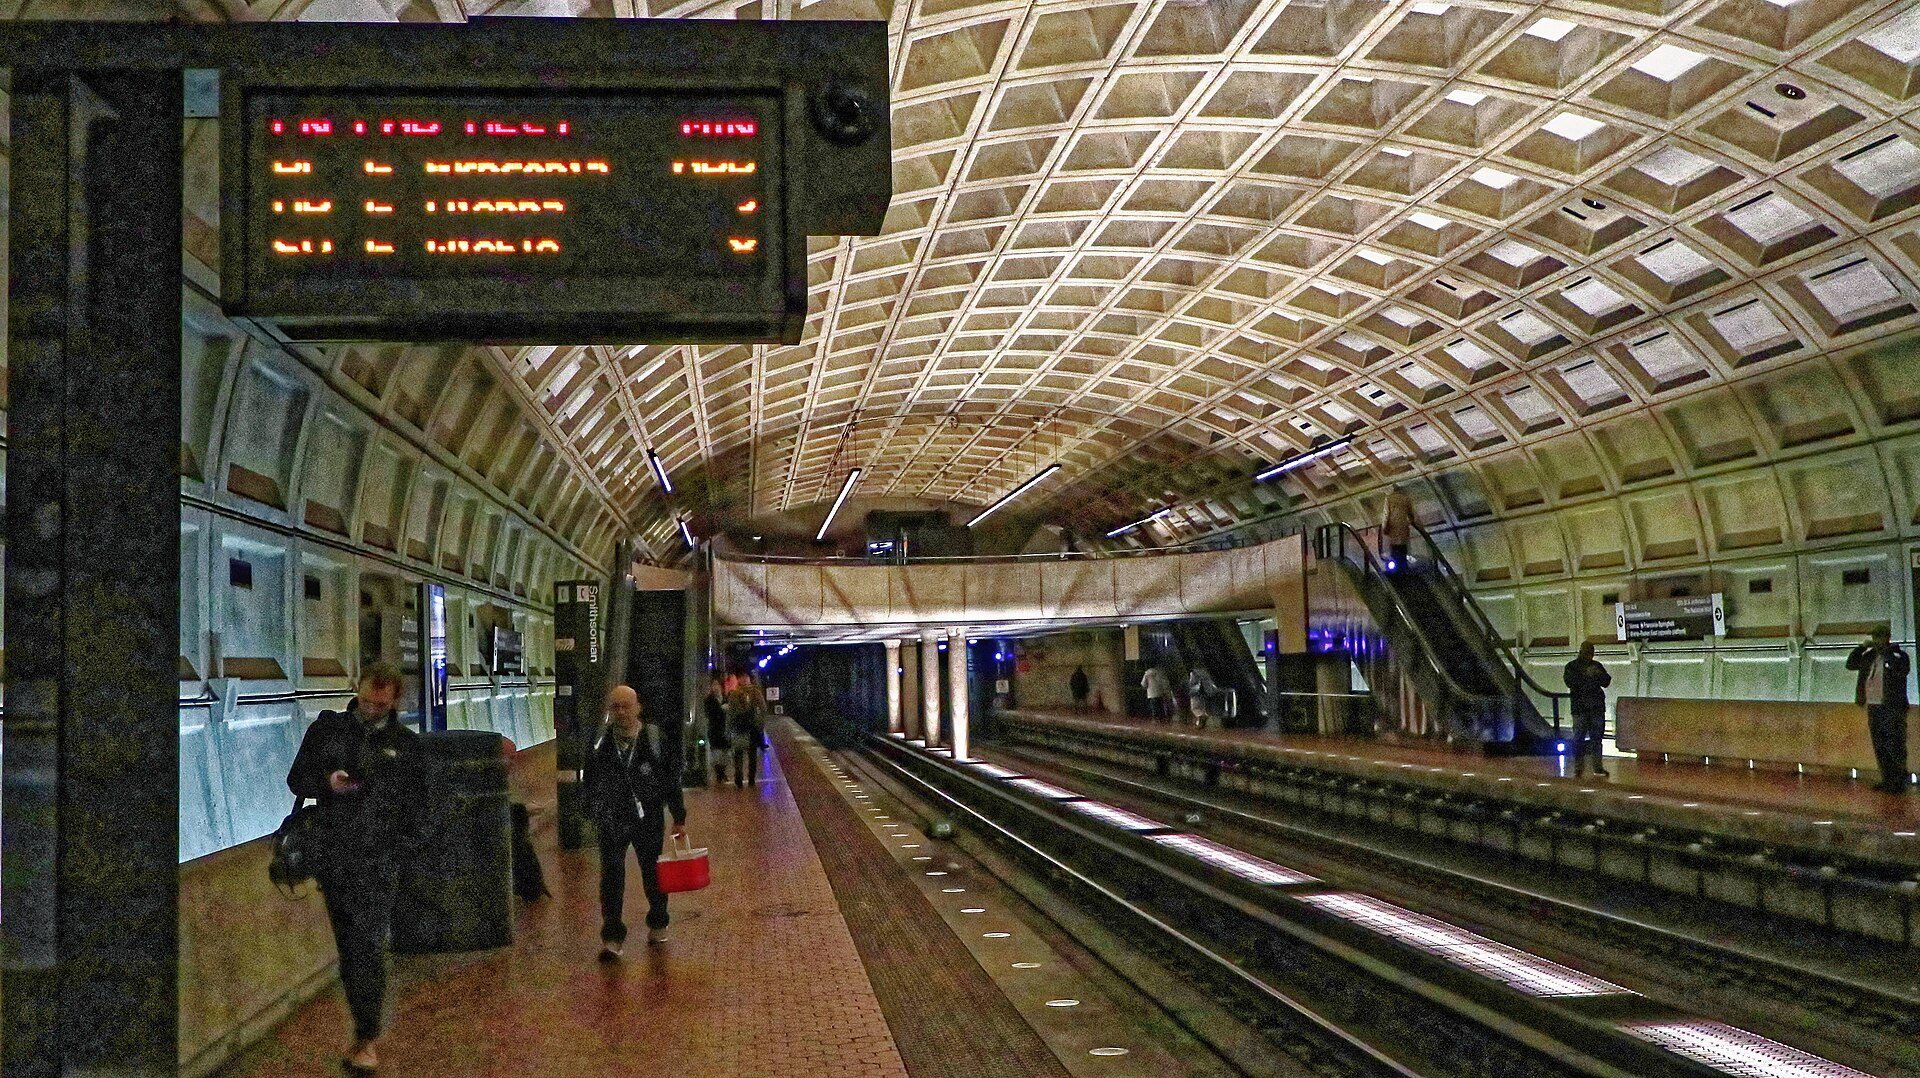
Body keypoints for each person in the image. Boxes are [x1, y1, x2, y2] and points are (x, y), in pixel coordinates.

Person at [286, 663, 428, 1076]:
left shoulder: (407, 746)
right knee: (350, 947)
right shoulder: (326, 731)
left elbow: (422, 806)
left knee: (368, 943)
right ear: (357, 690)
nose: (371, 709)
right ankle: (363, 1028)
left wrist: (401, 849)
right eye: (366, 701)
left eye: (380, 705)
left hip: (379, 861)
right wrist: (327, 783)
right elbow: (296, 779)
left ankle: (366, 1035)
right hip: (335, 855)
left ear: (394, 701)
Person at [586, 684, 688, 956]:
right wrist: (591, 811)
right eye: (615, 707)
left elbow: (670, 779)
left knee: (652, 872)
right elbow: (590, 780)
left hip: (649, 818)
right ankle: (612, 937)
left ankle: (658, 921)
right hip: (612, 818)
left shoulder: (654, 740)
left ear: (638, 707)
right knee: (611, 876)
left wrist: (679, 816)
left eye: (626, 706)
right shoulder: (600, 742)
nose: (620, 712)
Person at [1847, 627, 1912, 793]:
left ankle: (1898, 782)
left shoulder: (1899, 655)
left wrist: (1887, 653)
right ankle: (1887, 779)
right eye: (1875, 637)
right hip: (1874, 706)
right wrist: (1861, 648)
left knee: (1894, 744)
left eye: (1880, 637)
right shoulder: (1869, 656)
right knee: (1880, 744)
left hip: (1892, 706)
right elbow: (1851, 664)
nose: (1877, 640)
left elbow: (1902, 670)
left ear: (1887, 638)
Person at [1562, 643, 1612, 778]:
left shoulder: (1580, 666)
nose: (1590, 655)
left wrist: (1597, 674)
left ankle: (1590, 767)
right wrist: (1589, 675)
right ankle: (1586, 767)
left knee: (1590, 738)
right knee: (1582, 738)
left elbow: (1606, 681)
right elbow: (1570, 682)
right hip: (1586, 708)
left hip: (1587, 708)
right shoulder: (1574, 667)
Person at [726, 669, 768, 787]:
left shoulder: (755, 693)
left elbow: (763, 710)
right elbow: (730, 712)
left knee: (751, 755)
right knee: (740, 754)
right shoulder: (735, 694)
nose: (744, 679)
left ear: (749, 678)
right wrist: (730, 728)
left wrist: (759, 725)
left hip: (750, 728)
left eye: (746, 677)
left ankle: (750, 779)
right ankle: (739, 778)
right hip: (741, 728)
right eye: (742, 677)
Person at [703, 671, 730, 786]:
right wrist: (722, 710)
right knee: (716, 754)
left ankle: (722, 771)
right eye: (713, 685)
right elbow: (710, 714)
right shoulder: (708, 700)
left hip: (726, 729)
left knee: (725, 753)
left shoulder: (726, 697)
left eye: (717, 685)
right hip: (714, 729)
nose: (715, 687)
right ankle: (720, 774)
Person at [1382, 484, 1414, 570]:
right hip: (1403, 525)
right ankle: (1404, 566)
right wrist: (1412, 521)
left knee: (1394, 546)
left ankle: (1396, 567)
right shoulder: (1405, 498)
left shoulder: (1389, 499)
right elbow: (1410, 513)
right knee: (1403, 545)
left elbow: (1386, 514)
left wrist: (1384, 527)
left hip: (1393, 525)